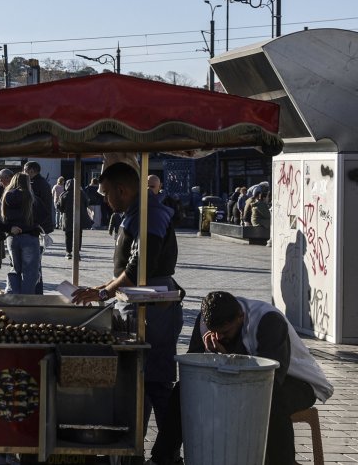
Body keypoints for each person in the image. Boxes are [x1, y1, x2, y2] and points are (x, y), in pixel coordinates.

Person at [149, 291, 333, 465]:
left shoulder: (268, 320)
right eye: (216, 332)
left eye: (226, 332)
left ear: (240, 317)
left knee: (270, 400)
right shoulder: (205, 322)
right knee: (185, 390)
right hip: (243, 381)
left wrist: (227, 356)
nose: (220, 337)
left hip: (296, 381)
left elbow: (270, 376)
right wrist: (209, 356)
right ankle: (163, 458)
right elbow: (192, 369)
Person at [72, 162, 183, 447]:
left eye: (107, 194)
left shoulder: (150, 214)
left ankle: (167, 451)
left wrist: (103, 294)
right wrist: (98, 289)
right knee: (138, 379)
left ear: (122, 190)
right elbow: (125, 271)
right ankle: (134, 442)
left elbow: (137, 269)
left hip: (152, 308)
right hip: (135, 304)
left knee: (156, 382)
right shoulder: (134, 213)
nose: (106, 201)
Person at [1, 173, 40, 294]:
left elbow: (2, 218)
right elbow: (44, 214)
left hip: (12, 236)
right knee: (30, 271)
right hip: (29, 236)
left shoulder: (6, 196)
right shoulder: (30, 196)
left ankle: (13, 298)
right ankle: (27, 300)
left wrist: (9, 228)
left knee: (14, 268)